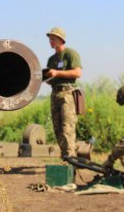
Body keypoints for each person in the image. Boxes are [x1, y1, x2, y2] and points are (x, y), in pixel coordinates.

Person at [45, 27, 82, 159]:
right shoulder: (52, 59)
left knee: (68, 128)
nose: (51, 41)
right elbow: (51, 79)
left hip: (68, 94)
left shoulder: (70, 54)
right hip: (55, 94)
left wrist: (57, 73)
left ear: (61, 40)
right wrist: (46, 77)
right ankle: (64, 158)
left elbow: (78, 73)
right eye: (50, 39)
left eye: (53, 39)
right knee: (58, 129)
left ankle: (71, 160)